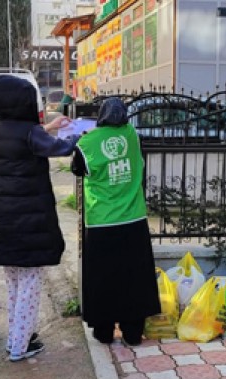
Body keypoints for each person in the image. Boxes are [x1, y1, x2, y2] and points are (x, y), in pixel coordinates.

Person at [0, 74, 78, 362]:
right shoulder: (30, 132)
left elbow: (26, 140)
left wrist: (49, 126)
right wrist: (82, 134)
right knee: (30, 286)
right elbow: (60, 147)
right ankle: (18, 347)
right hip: (30, 225)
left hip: (2, 222)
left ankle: (18, 336)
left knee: (14, 285)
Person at [71, 97, 160, 346]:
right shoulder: (132, 136)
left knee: (103, 279)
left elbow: (77, 169)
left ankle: (104, 331)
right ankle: (133, 334)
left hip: (101, 222)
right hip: (134, 219)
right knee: (134, 278)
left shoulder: (87, 143)